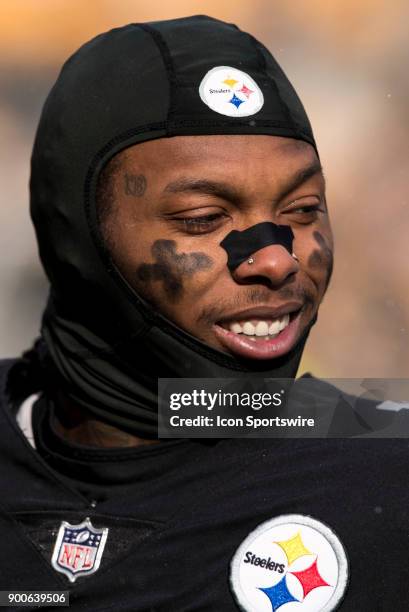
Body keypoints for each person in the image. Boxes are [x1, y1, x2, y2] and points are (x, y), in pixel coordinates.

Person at [0, 15, 407, 612]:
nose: (275, 258)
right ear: (76, 237)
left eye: (301, 209)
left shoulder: (385, 473)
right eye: (202, 219)